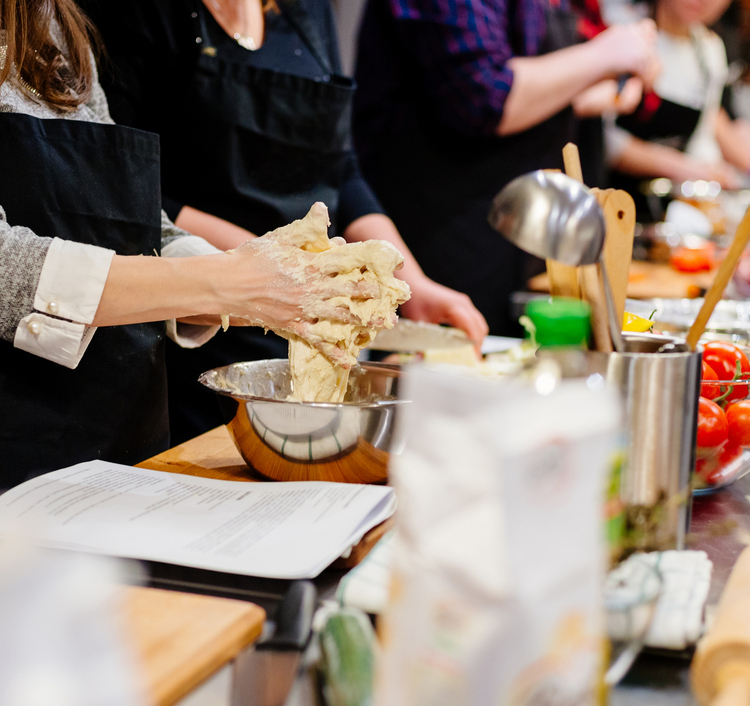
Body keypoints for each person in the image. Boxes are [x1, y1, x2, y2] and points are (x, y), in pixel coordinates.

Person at [0, 0, 375, 488]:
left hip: (104, 445)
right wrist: (228, 283)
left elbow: (137, 223)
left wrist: (258, 284)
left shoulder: (55, 28)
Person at [80, 0, 489, 446]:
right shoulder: (136, 14)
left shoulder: (308, 11)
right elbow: (124, 186)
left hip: (314, 310)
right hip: (195, 330)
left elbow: (338, 170)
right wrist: (272, 267)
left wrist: (411, 283)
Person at [352, 0, 659, 336]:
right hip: (445, 228)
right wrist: (606, 55)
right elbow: (486, 96)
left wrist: (612, 77)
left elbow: (550, 91)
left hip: (520, 230)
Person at [608, 0, 750, 191]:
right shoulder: (620, 28)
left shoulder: (710, 50)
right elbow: (603, 140)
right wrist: (680, 167)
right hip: (609, 192)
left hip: (671, 202)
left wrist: (713, 172)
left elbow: (702, 135)